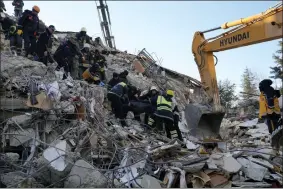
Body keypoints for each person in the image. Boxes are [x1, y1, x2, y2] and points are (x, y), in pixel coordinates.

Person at [259, 79, 282, 149]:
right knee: (274, 130)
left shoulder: (268, 90)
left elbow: (270, 102)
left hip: (271, 115)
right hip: (270, 114)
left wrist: (270, 109)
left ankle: (276, 148)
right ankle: (277, 146)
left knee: (273, 131)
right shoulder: (267, 91)